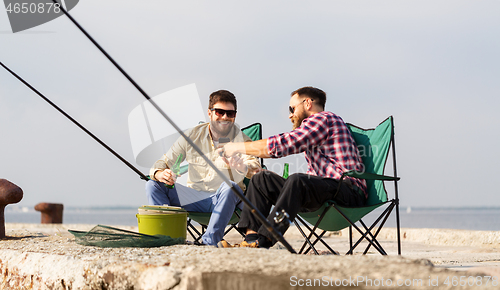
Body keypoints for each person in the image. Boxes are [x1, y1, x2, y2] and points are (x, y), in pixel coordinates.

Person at [218, 86, 367, 248]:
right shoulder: (315, 129)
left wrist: (236, 147)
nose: (290, 115)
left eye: (292, 108)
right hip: (324, 191)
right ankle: (250, 240)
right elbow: (314, 179)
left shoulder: (324, 119)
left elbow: (285, 144)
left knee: (297, 180)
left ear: (308, 103)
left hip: (347, 192)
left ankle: (264, 240)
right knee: (261, 179)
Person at [145, 90, 261, 246]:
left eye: (230, 113)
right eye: (220, 112)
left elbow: (257, 170)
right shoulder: (191, 136)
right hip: (194, 197)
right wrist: (159, 173)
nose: (225, 117)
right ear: (210, 113)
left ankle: (210, 240)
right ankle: (166, 237)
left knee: (231, 187)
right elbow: (164, 161)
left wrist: (241, 165)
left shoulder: (242, 140)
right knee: (152, 185)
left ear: (235, 115)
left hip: (226, 199)